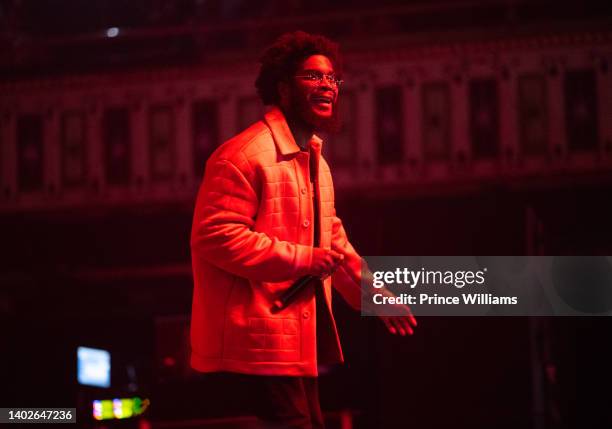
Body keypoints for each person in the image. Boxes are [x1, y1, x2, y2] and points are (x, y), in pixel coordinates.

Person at [190, 30, 416, 428]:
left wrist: (375, 295)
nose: (327, 85)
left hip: (291, 343)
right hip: (255, 343)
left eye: (332, 78)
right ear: (282, 88)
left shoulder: (314, 161)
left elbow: (334, 244)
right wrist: (304, 259)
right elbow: (216, 236)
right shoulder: (243, 156)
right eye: (313, 76)